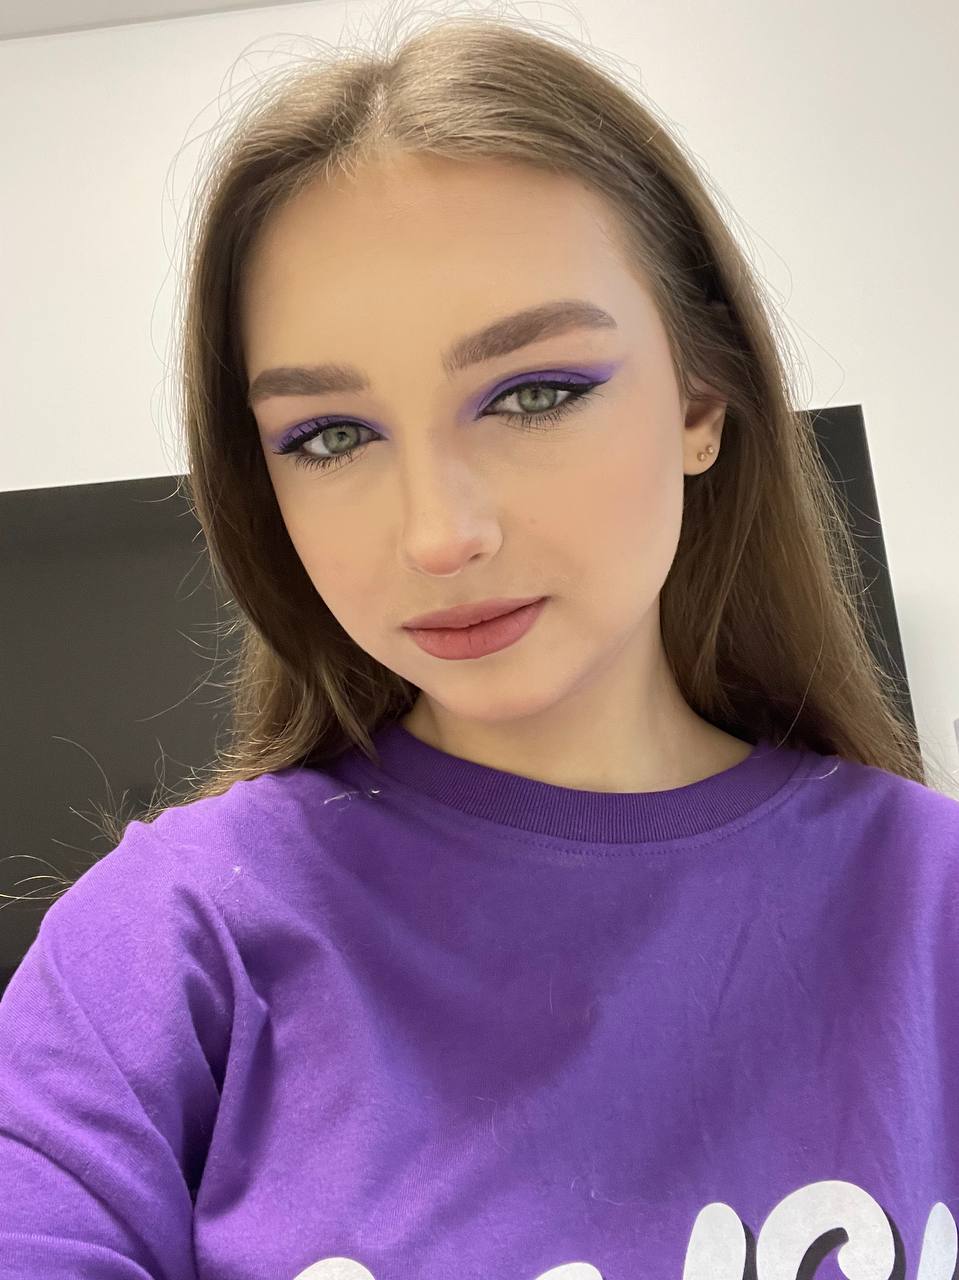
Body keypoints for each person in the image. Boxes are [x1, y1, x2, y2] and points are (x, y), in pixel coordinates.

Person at [1, 12, 957, 1280]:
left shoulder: (928, 901)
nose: (438, 534)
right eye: (329, 435)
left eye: (534, 393)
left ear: (699, 399)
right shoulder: (161, 950)